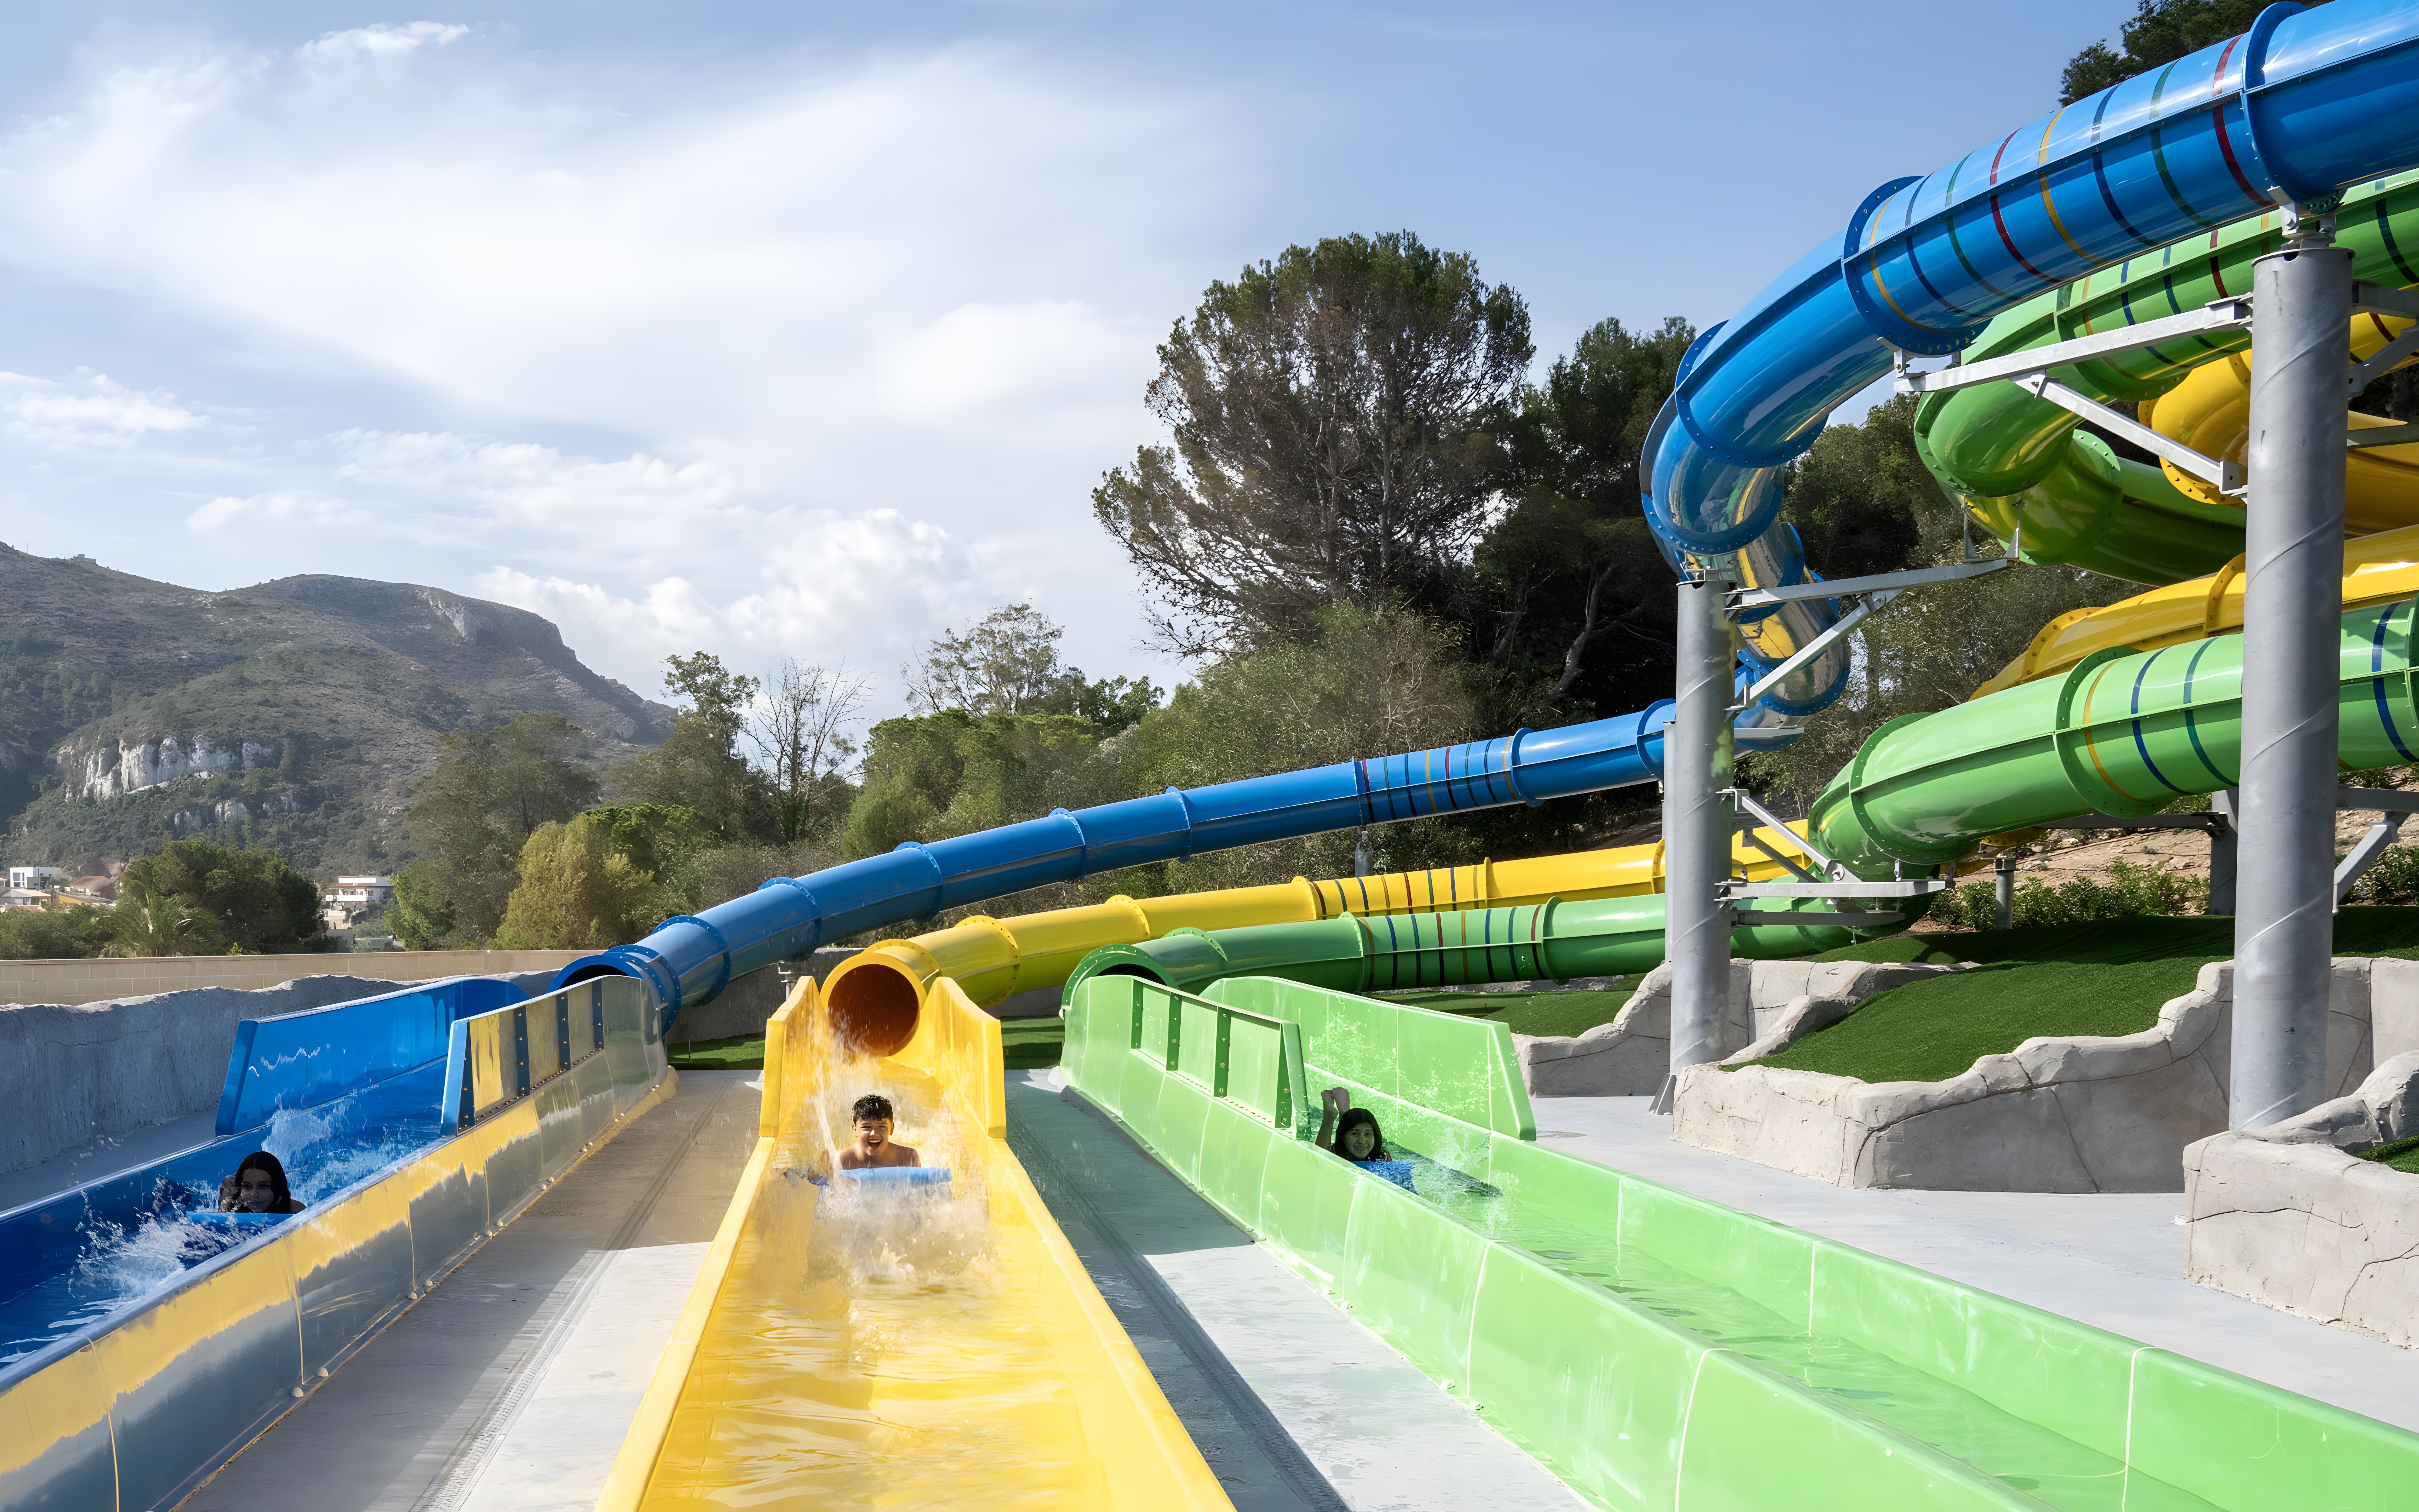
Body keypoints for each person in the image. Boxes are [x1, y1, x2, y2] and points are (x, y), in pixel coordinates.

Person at [834, 1094, 922, 1170]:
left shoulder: (908, 1158)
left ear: (892, 1129)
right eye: (867, 1127)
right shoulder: (842, 1161)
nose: (874, 1134)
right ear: (855, 1129)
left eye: (881, 1127)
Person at [1314, 1087, 1389, 1163]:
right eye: (1355, 1134)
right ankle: (1329, 1116)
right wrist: (1329, 1116)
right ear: (1344, 1138)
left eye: (1368, 1134)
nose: (1362, 1141)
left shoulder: (1382, 1157)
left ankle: (1345, 1114)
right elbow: (1317, 1163)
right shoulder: (1336, 1153)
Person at [217, 1151, 306, 1214]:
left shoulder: (295, 1209)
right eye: (247, 1186)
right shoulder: (230, 1206)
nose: (254, 1195)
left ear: (277, 1187)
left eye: (264, 1186)